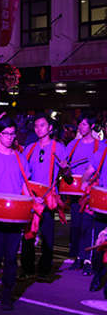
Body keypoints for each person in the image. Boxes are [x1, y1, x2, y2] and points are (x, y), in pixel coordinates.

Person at [0, 117, 32, 311]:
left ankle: (7, 294)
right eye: (5, 134)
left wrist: (33, 201)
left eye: (12, 133)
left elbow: (26, 186)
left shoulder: (21, 158)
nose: (9, 137)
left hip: (16, 217)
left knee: (11, 258)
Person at [21, 114, 67, 281]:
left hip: (48, 198)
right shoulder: (30, 148)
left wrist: (65, 169)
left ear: (50, 128)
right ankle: (27, 268)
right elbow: (23, 173)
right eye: (36, 126)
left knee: (47, 235)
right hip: (32, 198)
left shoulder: (59, 148)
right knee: (28, 234)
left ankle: (44, 269)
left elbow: (66, 176)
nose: (38, 128)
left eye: (42, 125)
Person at [65, 112, 103, 273]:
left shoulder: (99, 145)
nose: (81, 127)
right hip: (75, 192)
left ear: (92, 126)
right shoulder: (72, 144)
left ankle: (86, 259)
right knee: (77, 226)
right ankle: (78, 257)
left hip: (90, 192)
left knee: (88, 226)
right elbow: (66, 168)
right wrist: (64, 168)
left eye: (85, 124)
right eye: (80, 124)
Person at [81, 142, 107, 295]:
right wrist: (84, 181)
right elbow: (89, 171)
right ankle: (98, 274)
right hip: (102, 204)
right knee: (100, 242)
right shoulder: (103, 152)